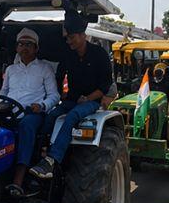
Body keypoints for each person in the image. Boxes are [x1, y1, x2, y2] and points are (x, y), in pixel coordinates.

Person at [29, 11, 113, 180]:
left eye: (72, 37)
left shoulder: (100, 55)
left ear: (82, 35)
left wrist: (88, 98)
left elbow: (105, 86)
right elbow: (60, 75)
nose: (69, 41)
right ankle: (40, 151)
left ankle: (52, 159)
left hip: (92, 101)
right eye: (67, 38)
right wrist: (61, 94)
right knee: (52, 115)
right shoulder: (68, 55)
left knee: (72, 116)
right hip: (72, 99)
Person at [0, 28, 58, 197]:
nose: (24, 47)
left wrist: (42, 105)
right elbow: (3, 92)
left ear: (36, 48)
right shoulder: (11, 69)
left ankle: (18, 179)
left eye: (28, 45)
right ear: (16, 47)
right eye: (21, 44)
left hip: (32, 113)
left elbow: (54, 95)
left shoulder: (44, 68)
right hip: (9, 111)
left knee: (26, 126)